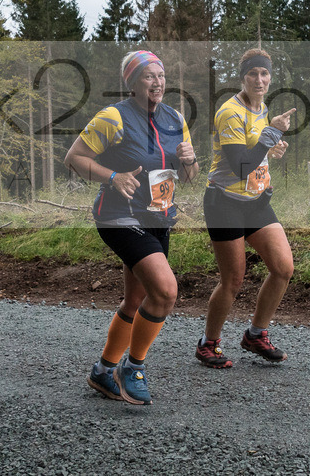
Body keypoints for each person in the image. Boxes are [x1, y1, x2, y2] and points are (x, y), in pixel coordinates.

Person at [64, 49, 198, 404]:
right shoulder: (114, 117)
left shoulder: (175, 118)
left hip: (159, 216)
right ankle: (132, 367)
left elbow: (186, 176)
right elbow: (74, 158)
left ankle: (103, 370)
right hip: (119, 217)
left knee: (137, 298)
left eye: (161, 76)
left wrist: (190, 161)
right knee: (166, 292)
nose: (157, 82)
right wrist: (112, 176)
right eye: (148, 76)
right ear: (133, 82)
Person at [197, 48, 296, 368]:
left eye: (264, 73)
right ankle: (207, 343)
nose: (259, 79)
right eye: (253, 73)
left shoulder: (261, 108)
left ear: (270, 77)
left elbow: (255, 152)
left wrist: (272, 150)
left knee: (283, 268)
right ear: (242, 77)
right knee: (233, 280)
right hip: (224, 203)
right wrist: (272, 135)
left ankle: (256, 335)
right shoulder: (230, 112)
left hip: (256, 203)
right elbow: (240, 166)